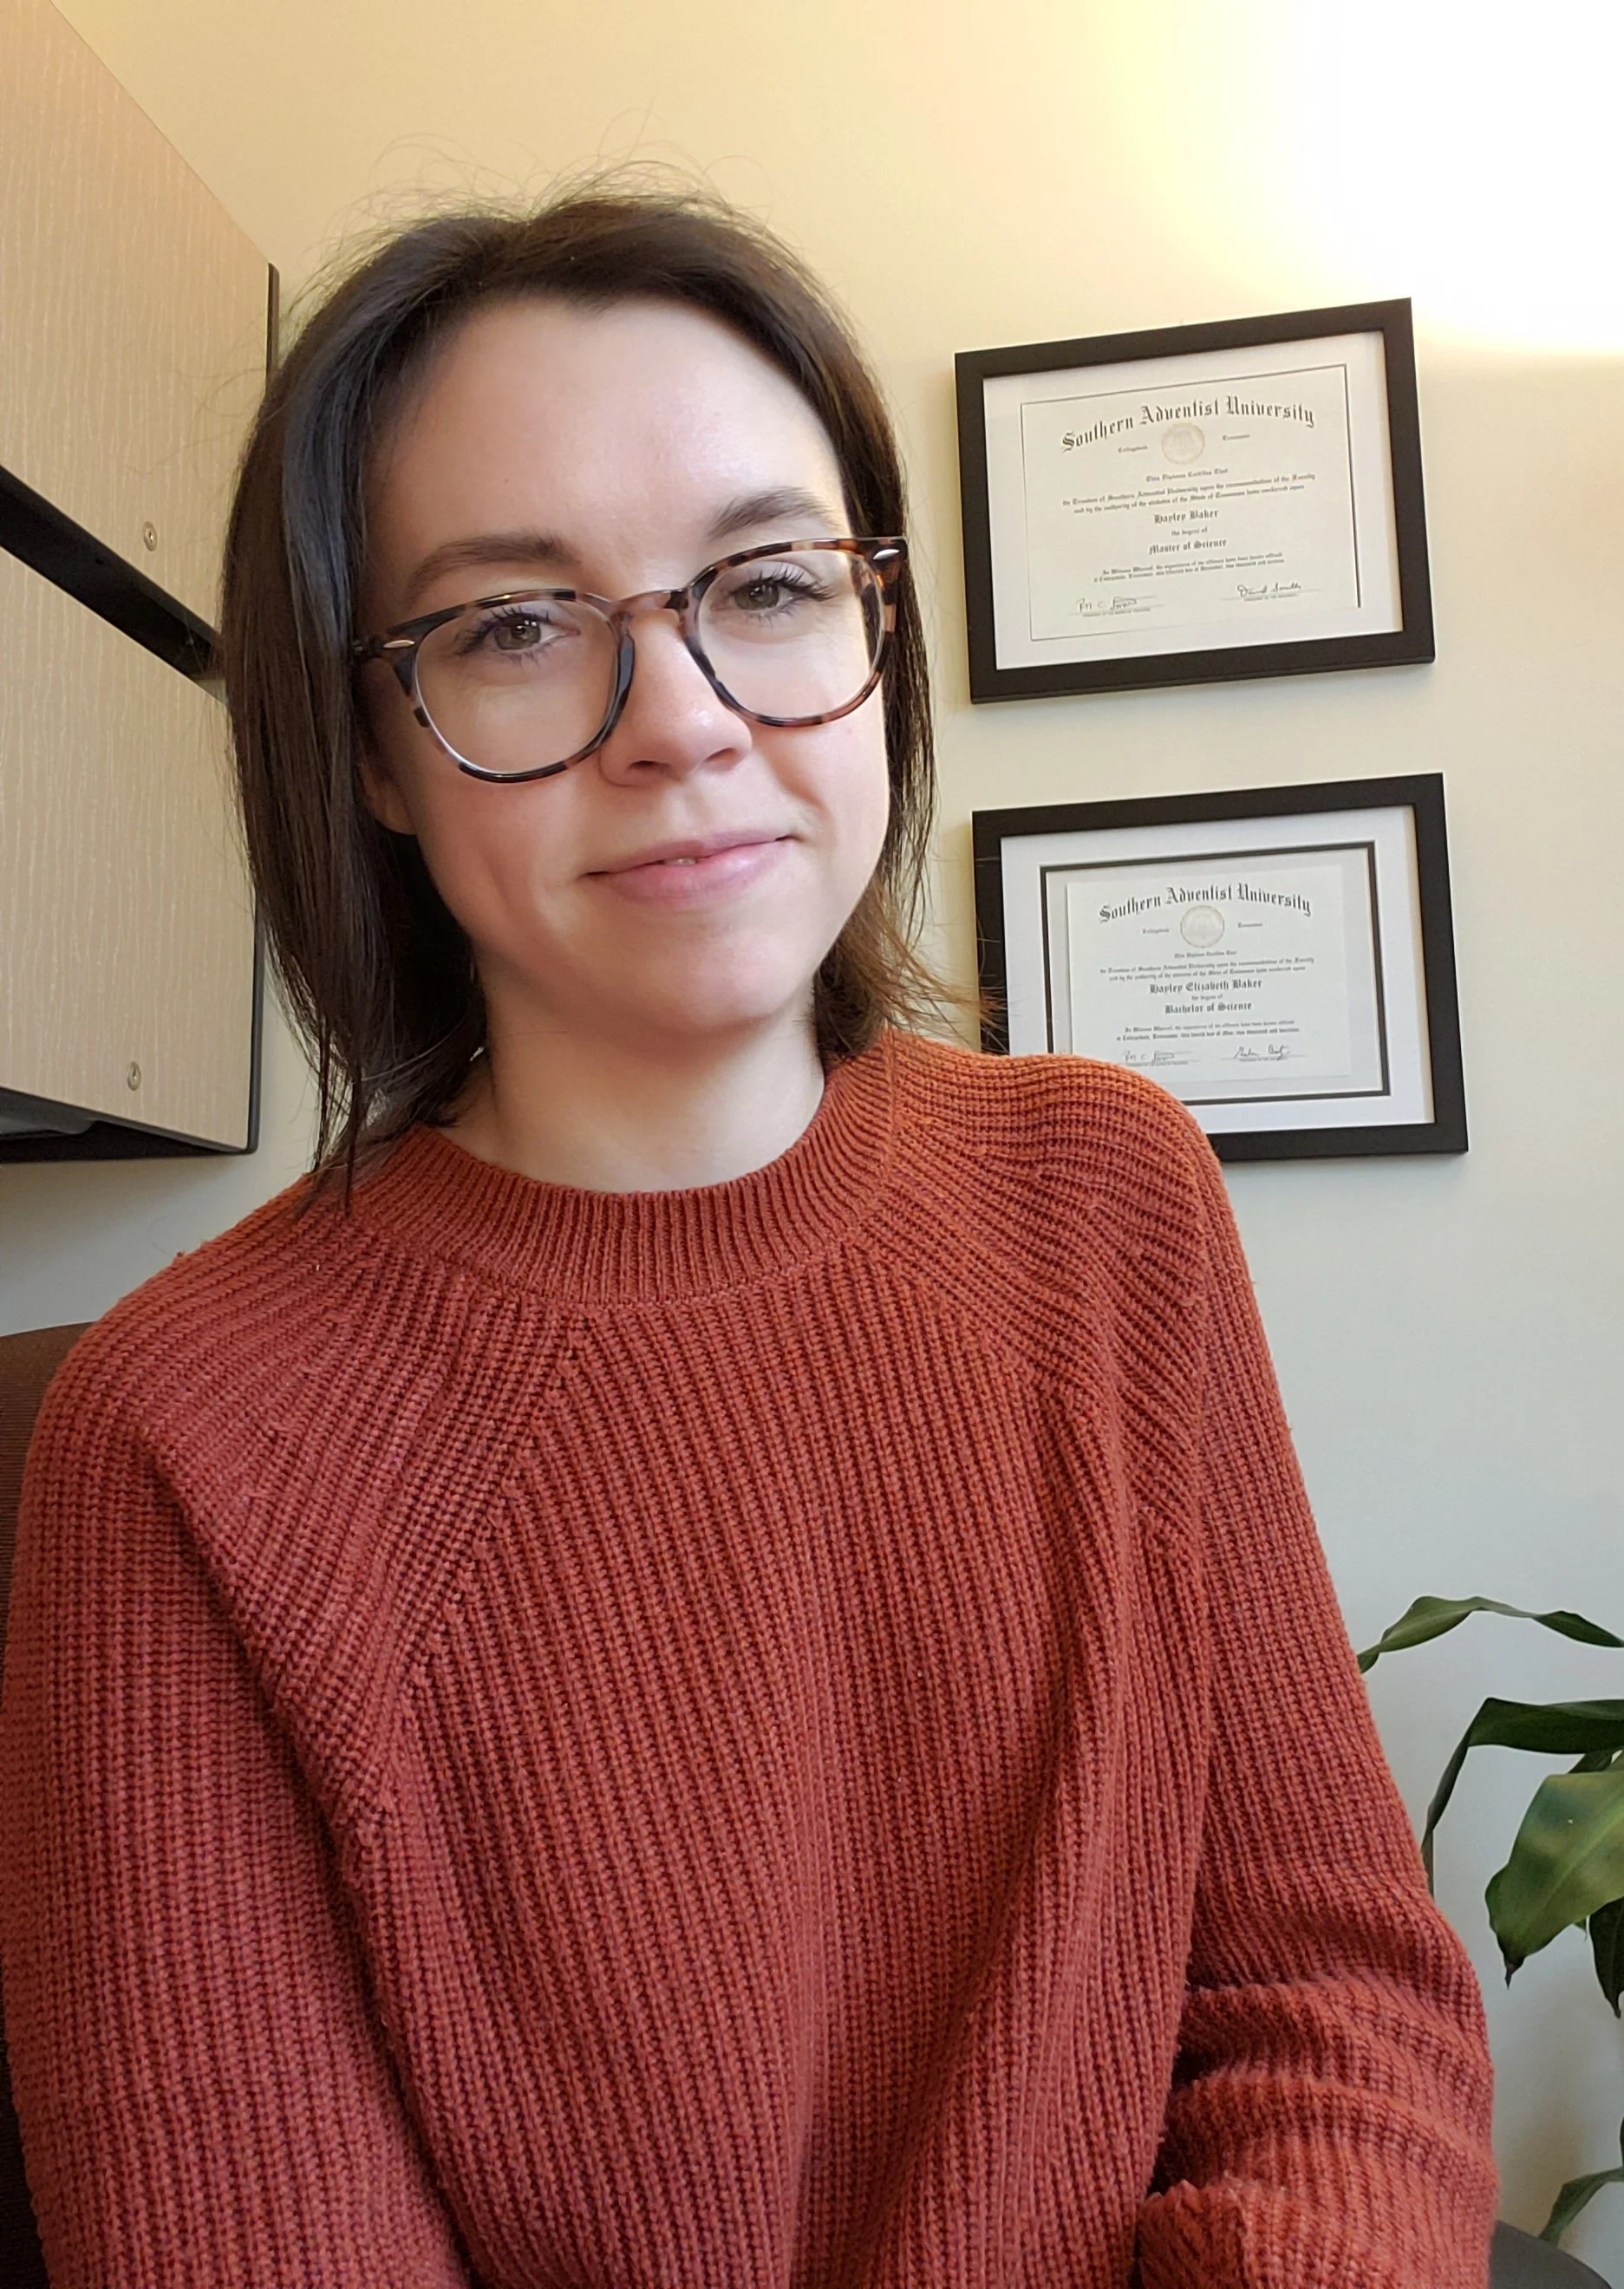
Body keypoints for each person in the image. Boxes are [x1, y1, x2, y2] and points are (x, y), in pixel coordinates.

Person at [0, 186, 1497, 2288]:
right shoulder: (181, 1436)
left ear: (877, 627)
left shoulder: (1111, 1200)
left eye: (771, 584)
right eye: (513, 627)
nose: (684, 717)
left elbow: (1335, 1998)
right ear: (365, 755)